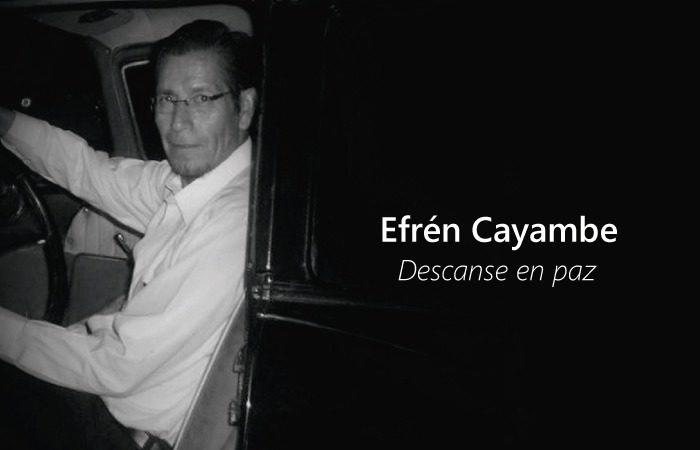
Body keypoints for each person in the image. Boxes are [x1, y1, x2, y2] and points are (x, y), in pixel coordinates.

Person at [0, 20, 257, 449]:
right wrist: (6, 123)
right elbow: (90, 172)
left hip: (123, 433)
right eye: (168, 99)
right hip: (112, 402)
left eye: (201, 99)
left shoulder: (232, 221)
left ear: (243, 108)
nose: (178, 123)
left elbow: (118, 367)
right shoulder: (185, 184)